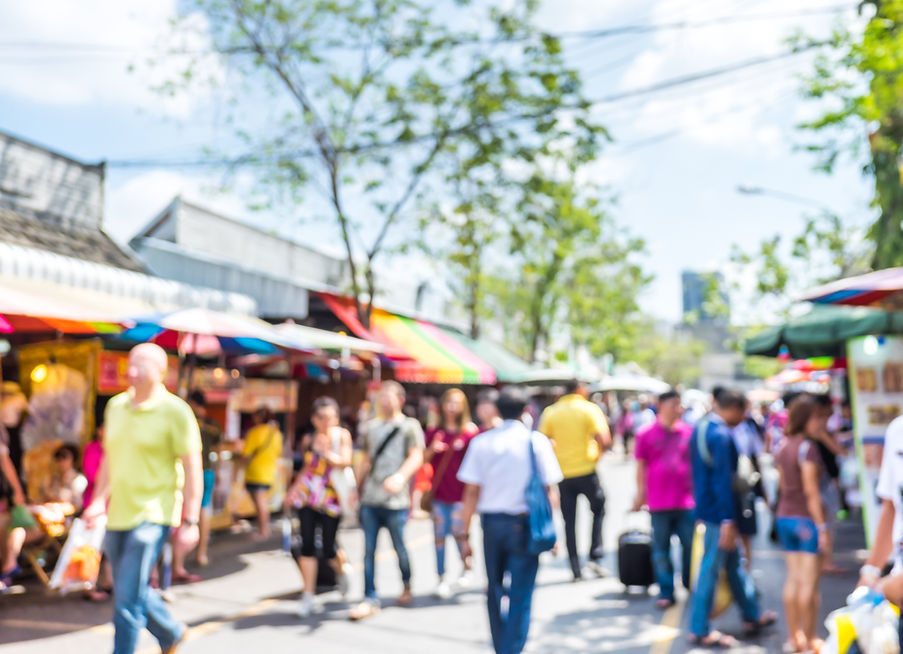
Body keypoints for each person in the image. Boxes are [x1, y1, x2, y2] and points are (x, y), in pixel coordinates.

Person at [82, 343, 202, 654]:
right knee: (130, 588)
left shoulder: (176, 411)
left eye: (141, 366)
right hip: (118, 512)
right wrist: (97, 501)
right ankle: (171, 632)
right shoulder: (116, 406)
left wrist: (191, 520)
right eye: (130, 365)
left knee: (124, 601)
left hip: (154, 513)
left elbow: (192, 466)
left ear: (162, 372)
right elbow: (110, 458)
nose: (131, 372)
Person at [457, 386, 563, 654]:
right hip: (525, 526)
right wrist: (553, 531)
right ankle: (511, 649)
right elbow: (550, 492)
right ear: (526, 411)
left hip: (491, 525)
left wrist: (463, 534)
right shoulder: (536, 441)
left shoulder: (482, 442)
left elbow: (470, 492)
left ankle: (501, 647)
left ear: (496, 410)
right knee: (521, 594)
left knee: (493, 590)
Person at [688, 388, 776, 648]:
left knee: (733, 566)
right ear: (735, 408)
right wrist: (728, 519)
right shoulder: (722, 435)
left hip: (708, 509)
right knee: (710, 570)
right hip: (720, 514)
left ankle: (752, 615)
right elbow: (722, 482)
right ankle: (699, 628)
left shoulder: (701, 429)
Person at [349, 381, 424, 621]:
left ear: (400, 400)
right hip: (371, 498)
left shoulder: (409, 427)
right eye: (381, 397)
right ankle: (369, 596)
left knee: (399, 547)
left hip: (396, 501)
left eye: (388, 397)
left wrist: (401, 477)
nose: (383, 401)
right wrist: (355, 488)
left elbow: (417, 456)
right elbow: (365, 460)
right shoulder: (371, 427)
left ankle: (406, 586)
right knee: (368, 550)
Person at [285, 396, 354, 617]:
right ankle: (308, 595)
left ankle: (342, 569)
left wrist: (327, 453)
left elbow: (345, 461)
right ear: (314, 419)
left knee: (328, 545)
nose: (326, 422)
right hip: (308, 497)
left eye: (331, 417)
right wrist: (293, 490)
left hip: (331, 497)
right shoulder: (309, 438)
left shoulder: (341, 436)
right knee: (306, 544)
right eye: (322, 417)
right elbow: (307, 467)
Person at [538, 379, 611, 581]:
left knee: (568, 521)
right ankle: (595, 555)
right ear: (579, 389)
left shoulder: (551, 412)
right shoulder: (589, 409)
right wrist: (597, 456)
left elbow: (544, 441)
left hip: (562, 474)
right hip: (587, 470)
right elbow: (604, 439)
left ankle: (575, 569)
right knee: (599, 509)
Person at [774, 395, 829, 654]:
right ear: (806, 419)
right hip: (805, 521)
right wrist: (823, 527)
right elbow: (811, 491)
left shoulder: (784, 446)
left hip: (785, 517)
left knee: (793, 581)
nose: (821, 423)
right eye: (817, 417)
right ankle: (808, 640)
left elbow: (784, 486)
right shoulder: (807, 448)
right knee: (809, 585)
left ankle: (793, 637)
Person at [632, 390, 695, 609]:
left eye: (680, 405)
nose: (678, 409)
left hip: (686, 502)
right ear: (660, 405)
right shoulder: (645, 434)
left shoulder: (688, 432)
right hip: (658, 502)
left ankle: (690, 584)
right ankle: (666, 590)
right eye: (674, 405)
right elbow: (640, 467)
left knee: (690, 546)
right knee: (661, 550)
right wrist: (640, 495)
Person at [2, 443, 86, 587]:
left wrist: (54, 508)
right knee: (8, 524)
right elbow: (42, 498)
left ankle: (9, 567)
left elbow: (76, 506)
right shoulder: (52, 479)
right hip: (40, 518)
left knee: (17, 532)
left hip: (56, 522)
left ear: (73, 458)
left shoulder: (77, 480)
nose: (61, 461)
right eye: (58, 457)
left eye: (64, 457)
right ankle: (9, 566)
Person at [423, 388, 478, 599]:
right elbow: (422, 459)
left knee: (460, 534)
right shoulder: (434, 432)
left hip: (462, 495)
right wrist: (432, 449)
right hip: (439, 494)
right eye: (449, 402)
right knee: (439, 537)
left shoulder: (469, 432)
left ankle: (467, 567)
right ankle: (441, 577)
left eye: (457, 403)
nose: (452, 407)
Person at [183, 390, 222, 571]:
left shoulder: (188, 422)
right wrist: (218, 471)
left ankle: (179, 557)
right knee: (204, 511)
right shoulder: (213, 425)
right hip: (207, 472)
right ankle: (202, 553)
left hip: (190, 473)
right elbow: (219, 451)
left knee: (185, 513)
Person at [730, 400, 765, 569]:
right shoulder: (719, 431)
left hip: (744, 487)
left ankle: (746, 575)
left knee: (745, 534)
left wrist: (763, 491)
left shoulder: (748, 429)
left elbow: (757, 457)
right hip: (729, 489)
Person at [241, 406, 283, 540]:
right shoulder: (276, 433)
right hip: (270, 471)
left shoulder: (255, 432)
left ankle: (263, 531)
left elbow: (245, 454)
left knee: (260, 503)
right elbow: (278, 452)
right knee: (261, 502)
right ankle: (262, 529)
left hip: (255, 472)